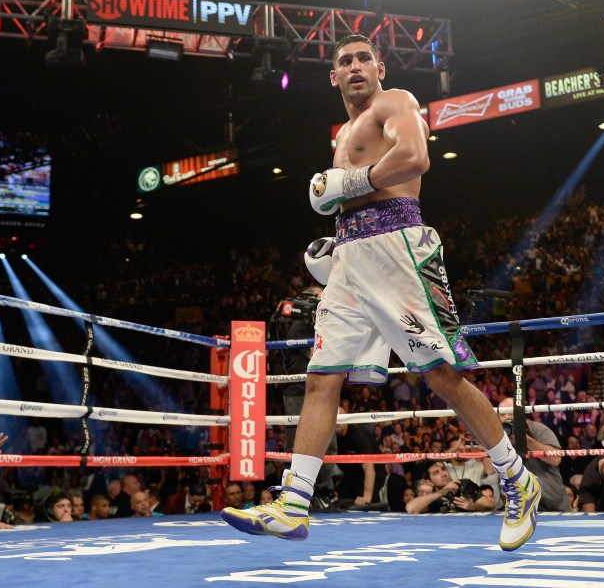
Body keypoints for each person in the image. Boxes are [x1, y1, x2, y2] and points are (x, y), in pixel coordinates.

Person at [221, 33, 541, 552]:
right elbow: (355, 198)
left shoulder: (395, 103)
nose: (354, 67)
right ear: (332, 75)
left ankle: (516, 478)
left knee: (443, 377)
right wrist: (338, 229)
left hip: (397, 250)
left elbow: (415, 159)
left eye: (363, 59)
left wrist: (348, 185)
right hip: (351, 258)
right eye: (344, 61)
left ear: (380, 67)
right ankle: (294, 504)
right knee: (322, 377)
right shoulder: (345, 131)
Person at [279, 284, 341, 512]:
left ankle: (324, 493)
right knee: (297, 442)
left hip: (322, 392)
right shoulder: (299, 327)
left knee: (328, 442)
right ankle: (294, 492)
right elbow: (319, 353)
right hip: (298, 392)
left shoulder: (320, 325)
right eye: (319, 297)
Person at [498, 397, 571, 512]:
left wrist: (526, 440)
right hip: (522, 505)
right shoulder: (498, 437)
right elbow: (489, 470)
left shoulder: (538, 429)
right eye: (502, 415)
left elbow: (556, 459)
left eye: (511, 413)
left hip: (552, 501)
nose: (507, 417)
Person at [333, 409, 383, 507]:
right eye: (334, 419)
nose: (336, 423)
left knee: (362, 504)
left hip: (373, 473)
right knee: (339, 501)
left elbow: (369, 469)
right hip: (351, 474)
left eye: (339, 419)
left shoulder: (358, 436)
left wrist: (366, 497)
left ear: (346, 419)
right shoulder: (329, 437)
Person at [405, 461, 494, 514]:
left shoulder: (463, 484)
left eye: (443, 469)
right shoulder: (429, 494)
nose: (443, 474)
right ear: (429, 481)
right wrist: (441, 492)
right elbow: (411, 508)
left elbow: (490, 505)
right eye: (436, 473)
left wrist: (474, 506)